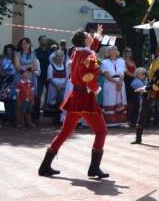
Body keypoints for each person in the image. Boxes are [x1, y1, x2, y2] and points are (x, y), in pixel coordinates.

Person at [38, 27, 109, 179]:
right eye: (88, 35)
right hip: (85, 97)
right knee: (101, 131)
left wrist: (97, 37)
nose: (90, 36)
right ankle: (94, 168)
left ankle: (45, 166)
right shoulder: (87, 54)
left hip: (76, 96)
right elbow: (87, 75)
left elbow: (90, 53)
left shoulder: (78, 52)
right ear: (84, 40)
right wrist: (95, 88)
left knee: (65, 132)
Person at [100, 45, 127, 126]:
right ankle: (111, 122)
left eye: (115, 49)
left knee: (120, 99)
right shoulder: (104, 62)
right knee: (110, 100)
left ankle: (121, 121)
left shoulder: (121, 61)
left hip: (121, 82)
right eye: (112, 49)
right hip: (110, 83)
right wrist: (116, 82)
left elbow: (123, 73)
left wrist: (120, 82)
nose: (114, 50)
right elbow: (106, 75)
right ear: (108, 52)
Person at [46, 49, 68, 124]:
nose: (60, 57)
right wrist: (57, 87)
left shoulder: (65, 66)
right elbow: (49, 78)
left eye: (61, 56)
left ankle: (61, 119)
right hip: (53, 87)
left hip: (63, 88)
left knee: (62, 102)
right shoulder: (51, 66)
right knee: (54, 103)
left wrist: (63, 85)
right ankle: (55, 120)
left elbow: (67, 77)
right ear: (55, 57)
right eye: (58, 56)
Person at [122, 47, 138, 127]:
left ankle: (132, 119)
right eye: (127, 51)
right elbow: (126, 72)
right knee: (128, 101)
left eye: (130, 51)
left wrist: (135, 76)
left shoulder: (133, 61)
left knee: (133, 100)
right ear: (124, 52)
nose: (129, 52)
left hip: (133, 81)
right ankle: (127, 119)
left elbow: (135, 70)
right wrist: (135, 75)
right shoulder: (123, 61)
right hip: (127, 81)